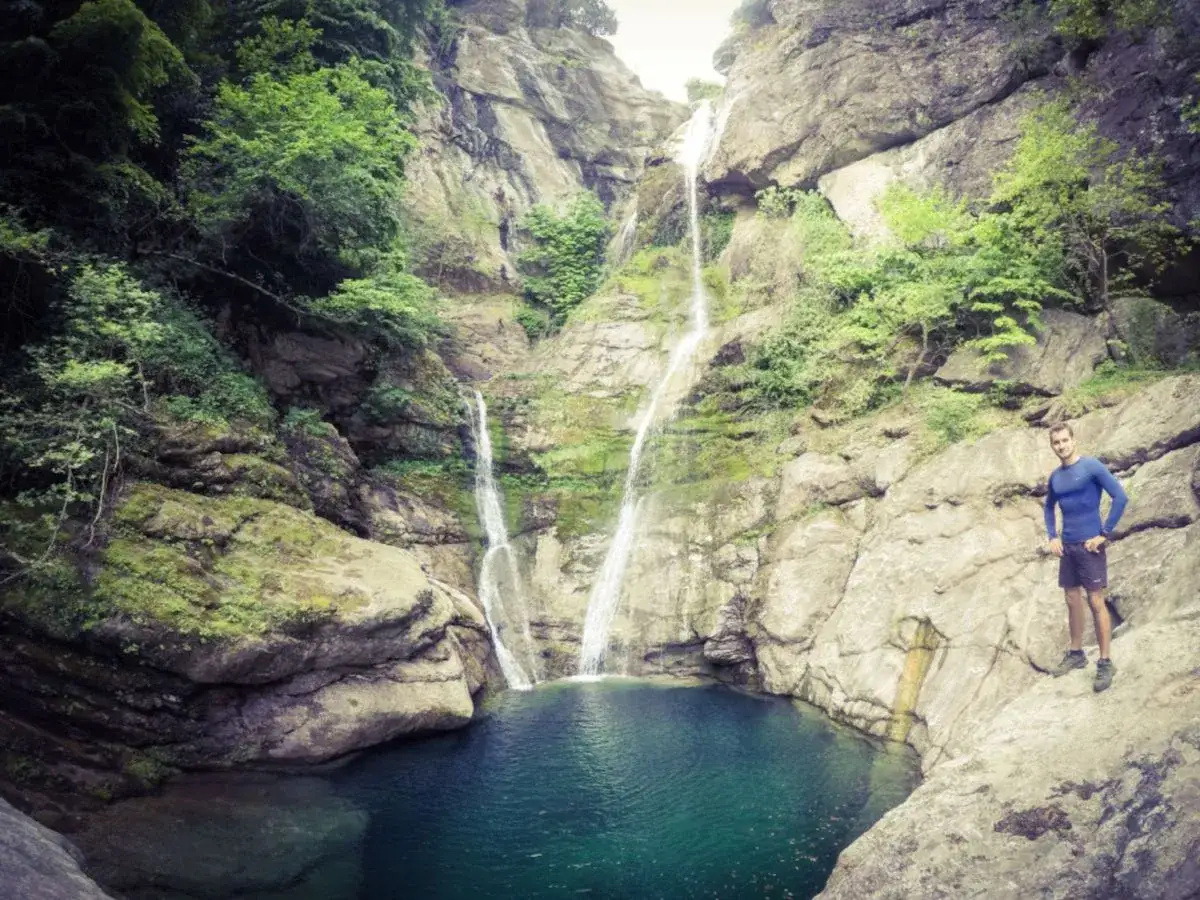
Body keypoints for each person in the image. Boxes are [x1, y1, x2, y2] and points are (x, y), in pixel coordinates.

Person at [1044, 421, 1128, 692]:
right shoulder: (1056, 477)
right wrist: (1052, 536)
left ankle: (1105, 662)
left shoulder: (1091, 467)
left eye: (1065, 441)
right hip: (1067, 546)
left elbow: (1120, 497)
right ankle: (1076, 653)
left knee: (1095, 601)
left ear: (1073, 440)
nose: (1061, 446)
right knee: (1071, 599)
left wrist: (1104, 533)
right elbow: (1048, 508)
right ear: (1052, 446)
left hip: (1091, 545)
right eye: (1056, 443)